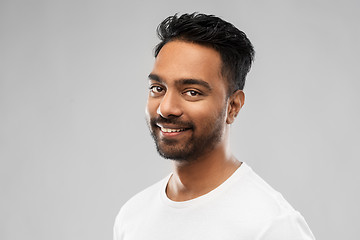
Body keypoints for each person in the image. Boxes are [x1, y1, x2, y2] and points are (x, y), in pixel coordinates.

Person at [113, 13, 315, 240]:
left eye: (192, 92)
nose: (166, 108)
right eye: (158, 88)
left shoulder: (270, 226)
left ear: (233, 106)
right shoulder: (132, 217)